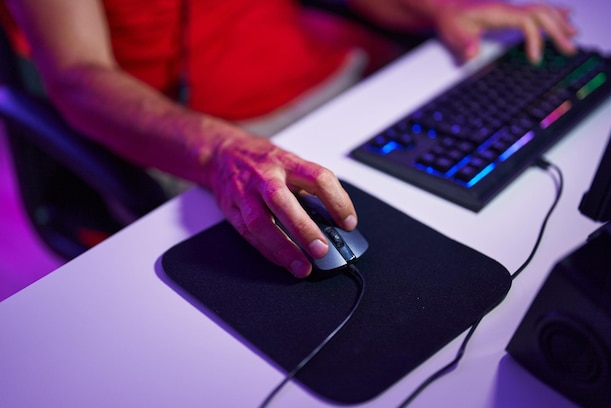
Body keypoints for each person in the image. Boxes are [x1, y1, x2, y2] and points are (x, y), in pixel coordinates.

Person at [3, 0, 576, 278]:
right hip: (202, 137)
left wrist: (436, 8)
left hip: (342, 69)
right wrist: (219, 149)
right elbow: (77, 76)